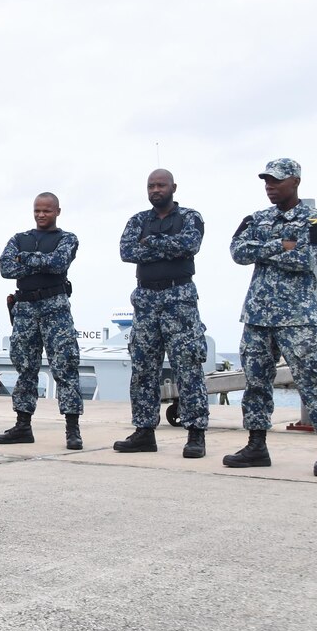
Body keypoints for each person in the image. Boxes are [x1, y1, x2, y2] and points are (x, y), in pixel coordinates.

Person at [224, 158, 317, 477]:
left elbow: (308, 257)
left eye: (276, 181)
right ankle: (256, 446)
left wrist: (264, 248)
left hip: (298, 317)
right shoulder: (256, 218)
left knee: (316, 380)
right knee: (255, 382)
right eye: (266, 181)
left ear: (295, 182)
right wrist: (282, 244)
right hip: (257, 317)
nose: (270, 186)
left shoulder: (316, 220)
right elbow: (237, 251)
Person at [113, 169, 209, 458]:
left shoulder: (190, 217)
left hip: (179, 299)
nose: (156, 190)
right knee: (143, 368)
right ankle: (144, 431)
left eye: (161, 185)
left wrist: (149, 244)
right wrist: (167, 247)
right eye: (151, 186)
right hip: (145, 301)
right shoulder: (138, 220)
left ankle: (195, 433)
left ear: (173, 188)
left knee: (188, 367)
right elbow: (126, 251)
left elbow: (189, 245)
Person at [0, 193, 83, 449]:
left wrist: (26, 258)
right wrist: (39, 262)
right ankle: (23, 425)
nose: (41, 215)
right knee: (25, 367)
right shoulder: (19, 238)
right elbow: (5, 268)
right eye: (37, 211)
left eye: (46, 211)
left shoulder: (67, 238)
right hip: (24, 310)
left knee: (65, 367)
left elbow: (58, 263)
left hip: (55, 308)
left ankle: (72, 429)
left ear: (57, 211)